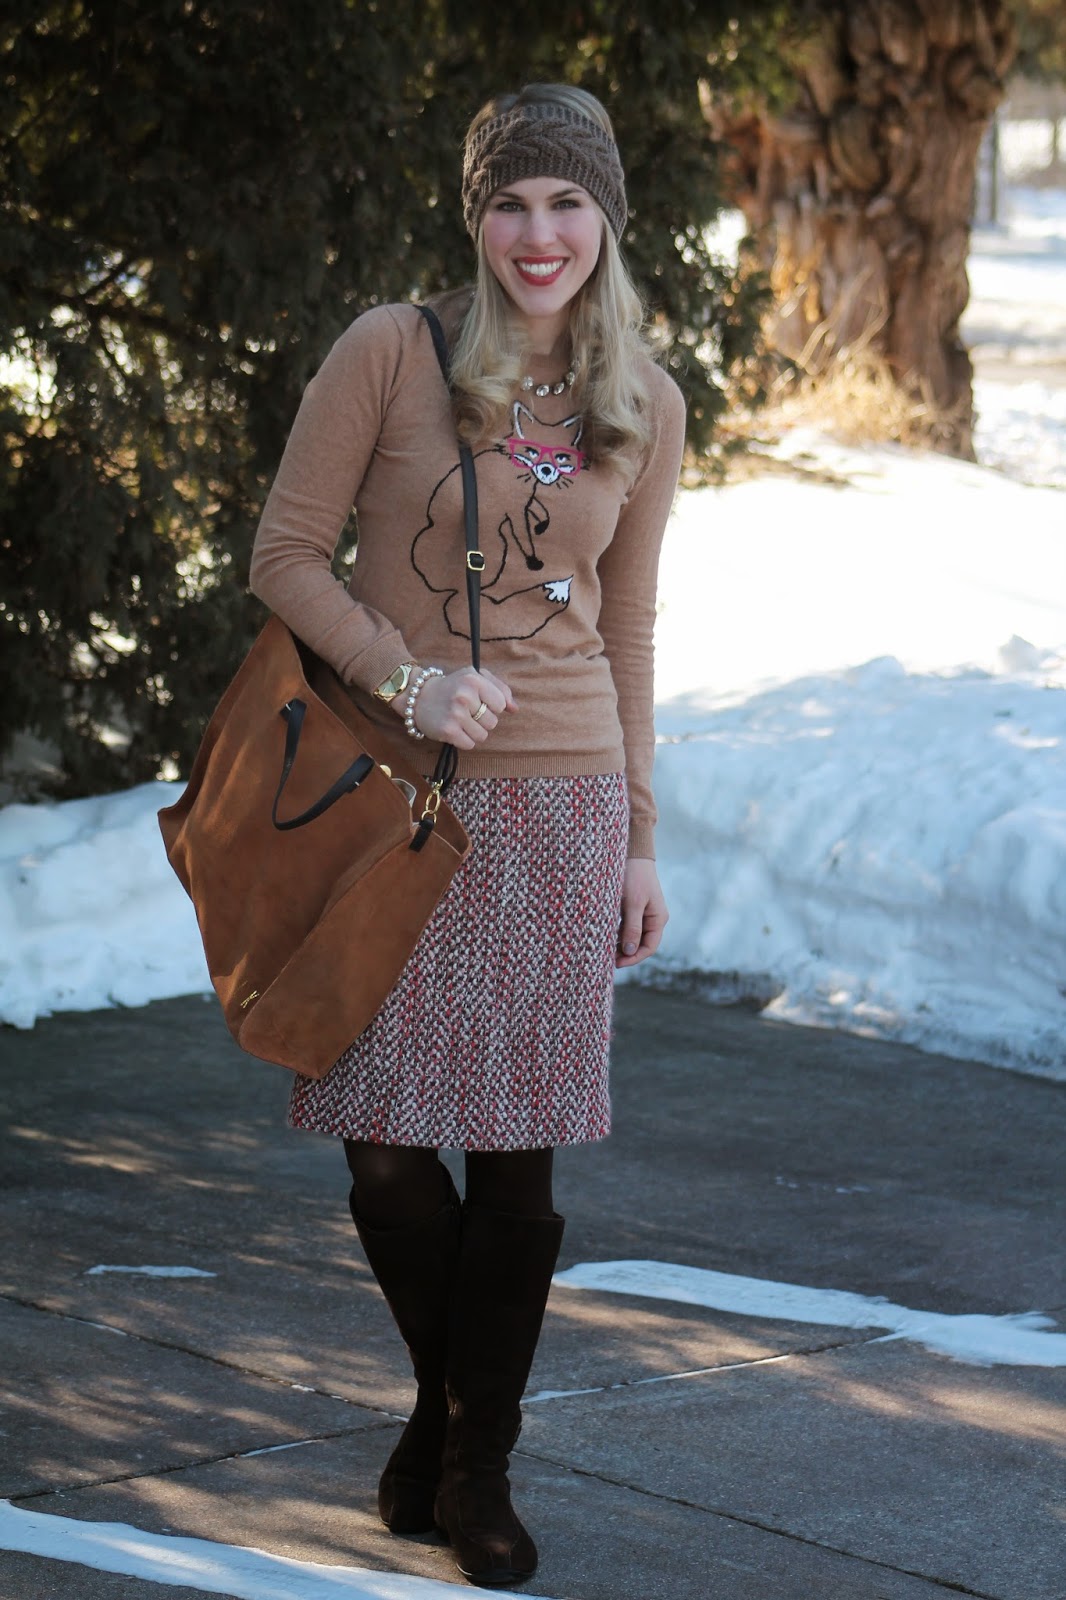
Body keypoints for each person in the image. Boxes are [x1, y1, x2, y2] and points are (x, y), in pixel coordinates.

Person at [248, 82, 686, 1589]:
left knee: (513, 1158)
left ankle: (469, 1466)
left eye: (566, 204)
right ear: (474, 217)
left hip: (562, 804)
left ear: (605, 220)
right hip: (394, 792)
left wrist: (637, 836)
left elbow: (627, 633)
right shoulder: (392, 351)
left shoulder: (645, 399)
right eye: (511, 202)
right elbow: (285, 556)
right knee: (380, 1147)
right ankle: (448, 1418)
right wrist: (408, 673)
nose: (538, 233)